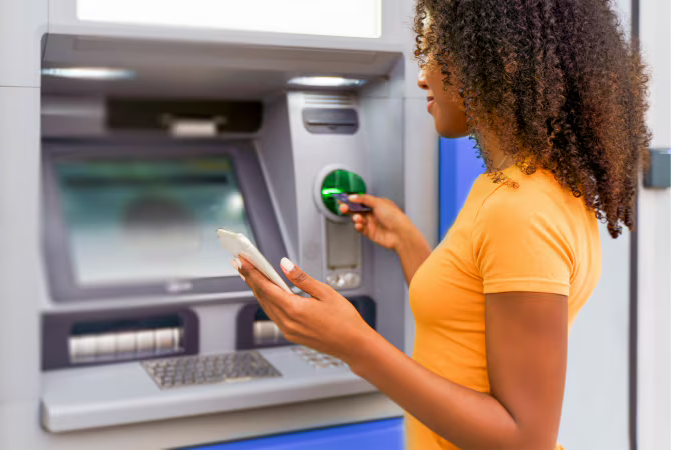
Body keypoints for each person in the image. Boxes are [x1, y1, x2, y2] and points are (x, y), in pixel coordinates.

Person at [230, 0, 650, 447]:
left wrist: (354, 344)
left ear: (498, 60)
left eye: (436, 50)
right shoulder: (525, 188)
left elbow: (524, 440)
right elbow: (465, 321)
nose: (420, 76)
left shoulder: (520, 209)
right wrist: (406, 241)